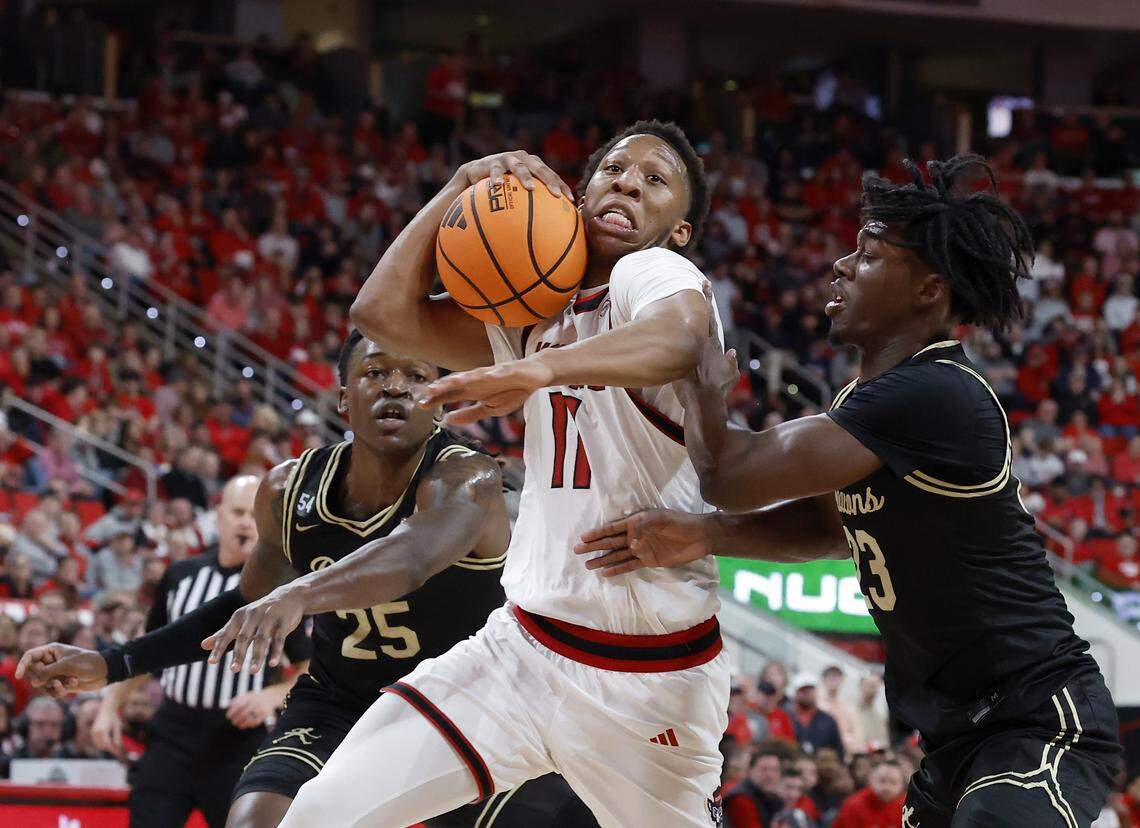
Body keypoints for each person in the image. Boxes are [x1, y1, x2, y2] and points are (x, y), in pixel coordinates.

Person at [576, 156, 1121, 826]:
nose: (840, 265)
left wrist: (695, 367)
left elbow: (728, 474)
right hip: (956, 738)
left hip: (1038, 718)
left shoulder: (935, 393)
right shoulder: (865, 404)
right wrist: (709, 533)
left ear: (927, 289)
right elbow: (830, 531)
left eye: (866, 255)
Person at [294, 120, 728, 828]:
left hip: (649, 682)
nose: (628, 183)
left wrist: (541, 368)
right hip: (521, 653)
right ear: (580, 193)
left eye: (656, 181)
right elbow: (380, 314)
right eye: (614, 170)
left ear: (678, 231)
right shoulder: (534, 315)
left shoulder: (655, 274)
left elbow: (681, 338)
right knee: (322, 811)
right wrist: (460, 186)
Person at [19, 335, 591, 828]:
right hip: (341, 703)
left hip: (471, 704)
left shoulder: (470, 477)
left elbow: (411, 557)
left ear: (438, 399)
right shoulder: (288, 491)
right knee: (256, 818)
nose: (395, 386)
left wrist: (298, 592)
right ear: (343, 396)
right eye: (374, 373)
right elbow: (244, 606)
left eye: (417, 376)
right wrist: (111, 664)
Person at [86, 475, 311, 828]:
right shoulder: (180, 576)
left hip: (238, 741)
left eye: (255, 515)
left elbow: (307, 666)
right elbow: (147, 652)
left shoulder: (283, 588)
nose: (245, 522)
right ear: (218, 515)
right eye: (238, 511)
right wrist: (109, 707)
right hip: (172, 733)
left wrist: (272, 696)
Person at [830, 759, 907, 828]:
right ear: (871, 780)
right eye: (882, 781)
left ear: (902, 785)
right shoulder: (853, 805)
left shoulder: (909, 806)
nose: (887, 787)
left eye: (893, 782)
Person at [723, 746, 784, 827]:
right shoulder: (740, 799)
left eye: (775, 770)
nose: (770, 775)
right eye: (764, 769)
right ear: (750, 771)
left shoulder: (774, 799)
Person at [788, 673, 844, 760]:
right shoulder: (787, 716)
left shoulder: (828, 721)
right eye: (803, 690)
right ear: (796, 692)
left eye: (809, 690)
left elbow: (839, 751)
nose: (807, 694)